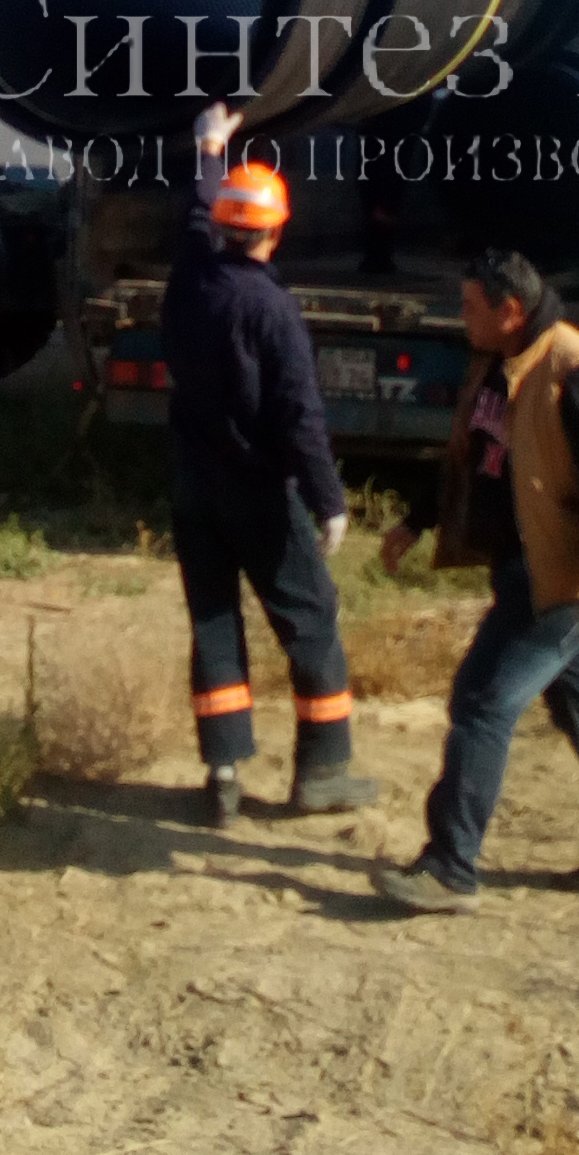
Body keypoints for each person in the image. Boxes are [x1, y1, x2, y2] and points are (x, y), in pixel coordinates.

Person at [375, 247, 579, 912]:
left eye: (470, 307)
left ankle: (450, 868)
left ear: (510, 310)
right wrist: (416, 521)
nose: (461, 317)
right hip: (522, 566)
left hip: (559, 578)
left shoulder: (578, 372)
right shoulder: (497, 363)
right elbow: (471, 456)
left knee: (482, 699)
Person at [161, 102, 377, 828]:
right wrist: (330, 501)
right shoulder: (272, 310)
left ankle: (222, 779)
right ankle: (323, 772)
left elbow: (197, 218)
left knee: (214, 622)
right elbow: (298, 416)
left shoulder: (190, 278)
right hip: (257, 491)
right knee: (310, 621)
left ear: (226, 226)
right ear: (277, 231)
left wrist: (210, 151)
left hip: (194, 486)